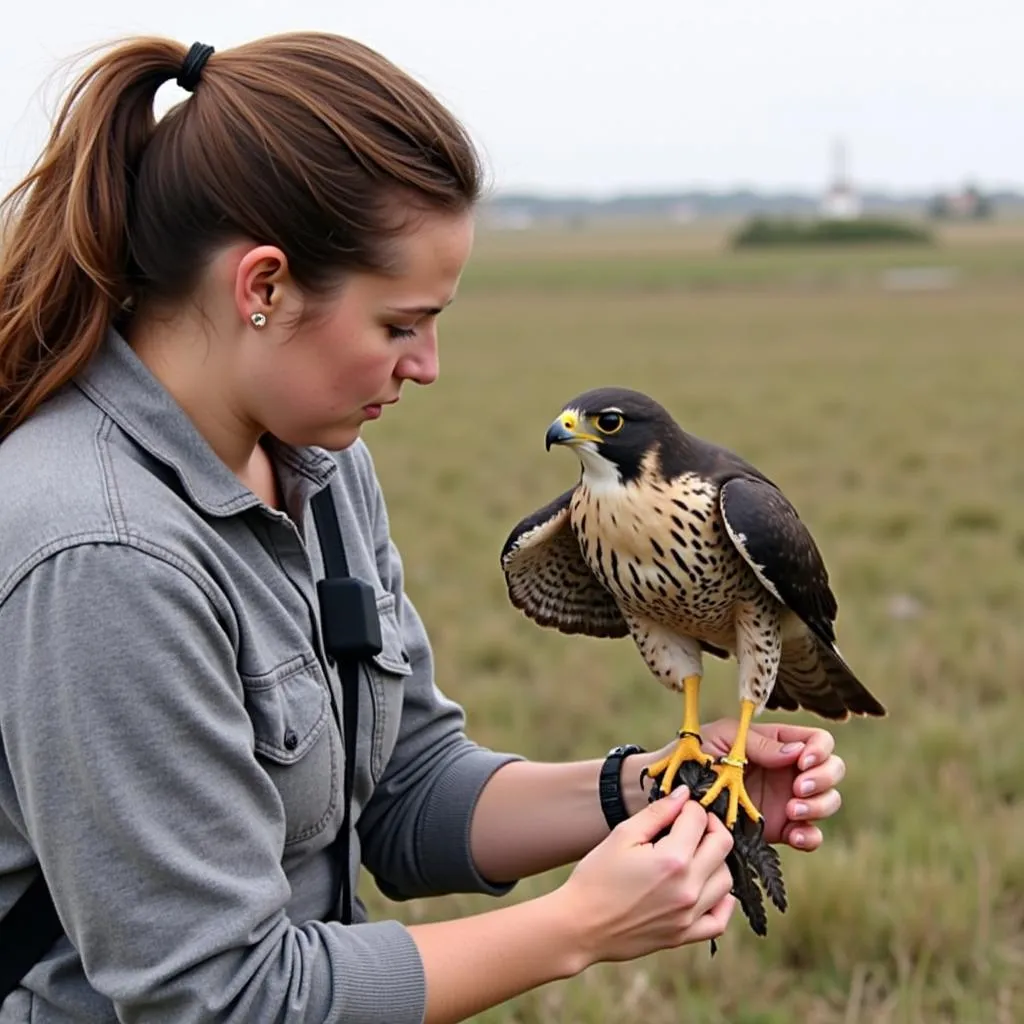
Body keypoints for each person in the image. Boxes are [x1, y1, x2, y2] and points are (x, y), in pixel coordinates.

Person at [0, 32, 847, 1024]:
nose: (428, 365)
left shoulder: (320, 468)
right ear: (262, 287)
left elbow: (403, 790)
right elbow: (220, 999)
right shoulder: (102, 555)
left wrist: (653, 787)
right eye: (401, 325)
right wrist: (575, 925)